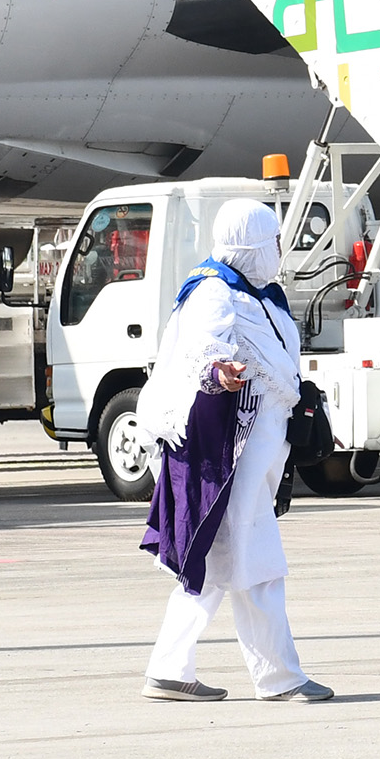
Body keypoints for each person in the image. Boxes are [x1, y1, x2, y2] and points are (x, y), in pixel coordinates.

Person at [138, 200, 332, 703]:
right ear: (251, 246)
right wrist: (220, 372)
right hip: (233, 456)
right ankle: (281, 678)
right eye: (272, 243)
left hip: (261, 453)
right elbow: (203, 351)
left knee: (217, 562)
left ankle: (169, 668)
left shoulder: (262, 294)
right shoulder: (213, 292)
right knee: (256, 561)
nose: (279, 253)